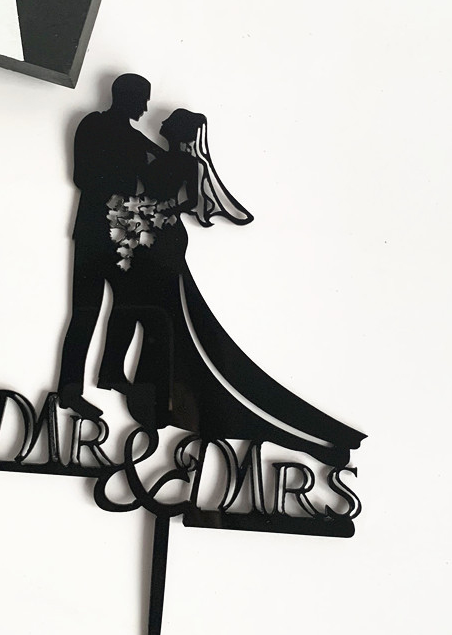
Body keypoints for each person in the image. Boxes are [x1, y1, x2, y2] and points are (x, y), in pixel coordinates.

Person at [104, 109, 366, 467]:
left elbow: (191, 201)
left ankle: (158, 394)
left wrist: (159, 209)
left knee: (167, 315)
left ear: (176, 130)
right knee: (161, 315)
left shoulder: (184, 163)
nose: (158, 121)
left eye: (167, 122)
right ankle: (152, 390)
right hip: (149, 233)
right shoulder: (165, 156)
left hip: (163, 236)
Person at [56, 74, 158, 419]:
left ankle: (111, 371)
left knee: (129, 302)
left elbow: (157, 172)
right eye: (142, 100)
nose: (145, 108)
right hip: (93, 230)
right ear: (126, 97)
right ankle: (70, 391)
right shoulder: (94, 125)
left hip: (123, 232)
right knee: (85, 311)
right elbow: (82, 176)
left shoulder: (134, 137)